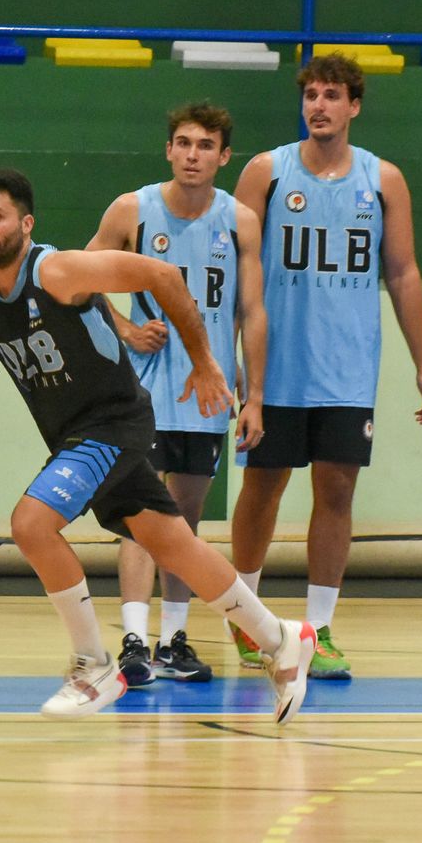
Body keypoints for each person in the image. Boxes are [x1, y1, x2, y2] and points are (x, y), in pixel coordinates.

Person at [0, 168, 314, 722]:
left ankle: (94, 667)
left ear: (25, 222)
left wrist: (206, 362)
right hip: (74, 434)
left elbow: (161, 275)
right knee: (177, 547)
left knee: (31, 523)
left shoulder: (60, 270)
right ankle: (282, 638)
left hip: (113, 421)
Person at [229, 54, 422, 679]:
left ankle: (318, 630)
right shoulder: (266, 172)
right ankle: (247, 617)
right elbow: (237, 272)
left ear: (354, 106)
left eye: (332, 96)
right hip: (276, 367)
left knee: (338, 490)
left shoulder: (384, 181)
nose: (318, 105)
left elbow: (402, 273)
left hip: (349, 366)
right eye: (311, 96)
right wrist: (232, 362)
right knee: (263, 486)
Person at [85, 102, 267, 688]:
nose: (193, 154)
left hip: (205, 389)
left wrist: (253, 389)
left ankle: (173, 640)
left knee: (185, 519)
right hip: (139, 389)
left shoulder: (239, 219)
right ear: (168, 150)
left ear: (223, 156)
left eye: (205, 145)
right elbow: (73, 281)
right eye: (183, 143)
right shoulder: (132, 209)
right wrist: (126, 328)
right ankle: (135, 640)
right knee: (144, 515)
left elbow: (252, 309)